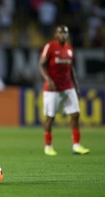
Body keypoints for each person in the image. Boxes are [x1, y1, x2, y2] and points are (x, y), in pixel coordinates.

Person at [39, 25, 90, 156]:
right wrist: (48, 80)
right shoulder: (50, 47)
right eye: (61, 32)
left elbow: (71, 68)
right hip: (53, 88)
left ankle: (76, 145)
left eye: (65, 33)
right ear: (55, 35)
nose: (63, 35)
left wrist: (76, 86)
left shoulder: (69, 48)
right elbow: (41, 64)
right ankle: (48, 146)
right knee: (50, 117)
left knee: (75, 114)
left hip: (68, 87)